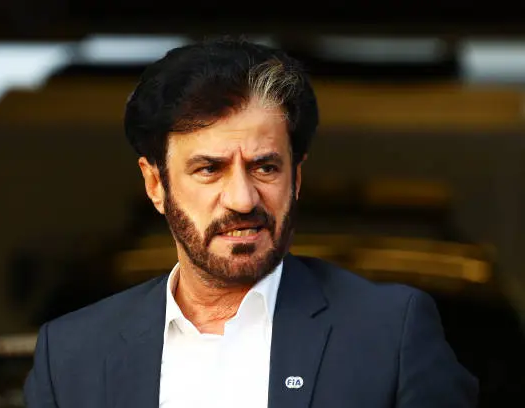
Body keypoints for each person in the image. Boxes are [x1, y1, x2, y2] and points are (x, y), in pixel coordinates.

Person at [24, 36, 478, 408]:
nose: (243, 199)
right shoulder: (72, 355)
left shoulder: (389, 334)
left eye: (265, 167)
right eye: (209, 169)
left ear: (296, 178)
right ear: (156, 184)